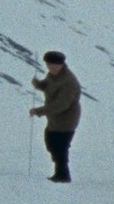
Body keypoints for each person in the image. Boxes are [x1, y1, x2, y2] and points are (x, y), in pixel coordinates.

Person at [29, 51, 81, 182]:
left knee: (60, 146)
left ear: (61, 64)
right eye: (49, 65)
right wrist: (38, 85)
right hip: (54, 119)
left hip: (67, 119)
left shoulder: (69, 81)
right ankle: (60, 173)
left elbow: (61, 104)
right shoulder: (53, 76)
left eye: (55, 65)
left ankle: (62, 175)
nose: (51, 67)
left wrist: (39, 111)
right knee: (51, 143)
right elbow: (47, 85)